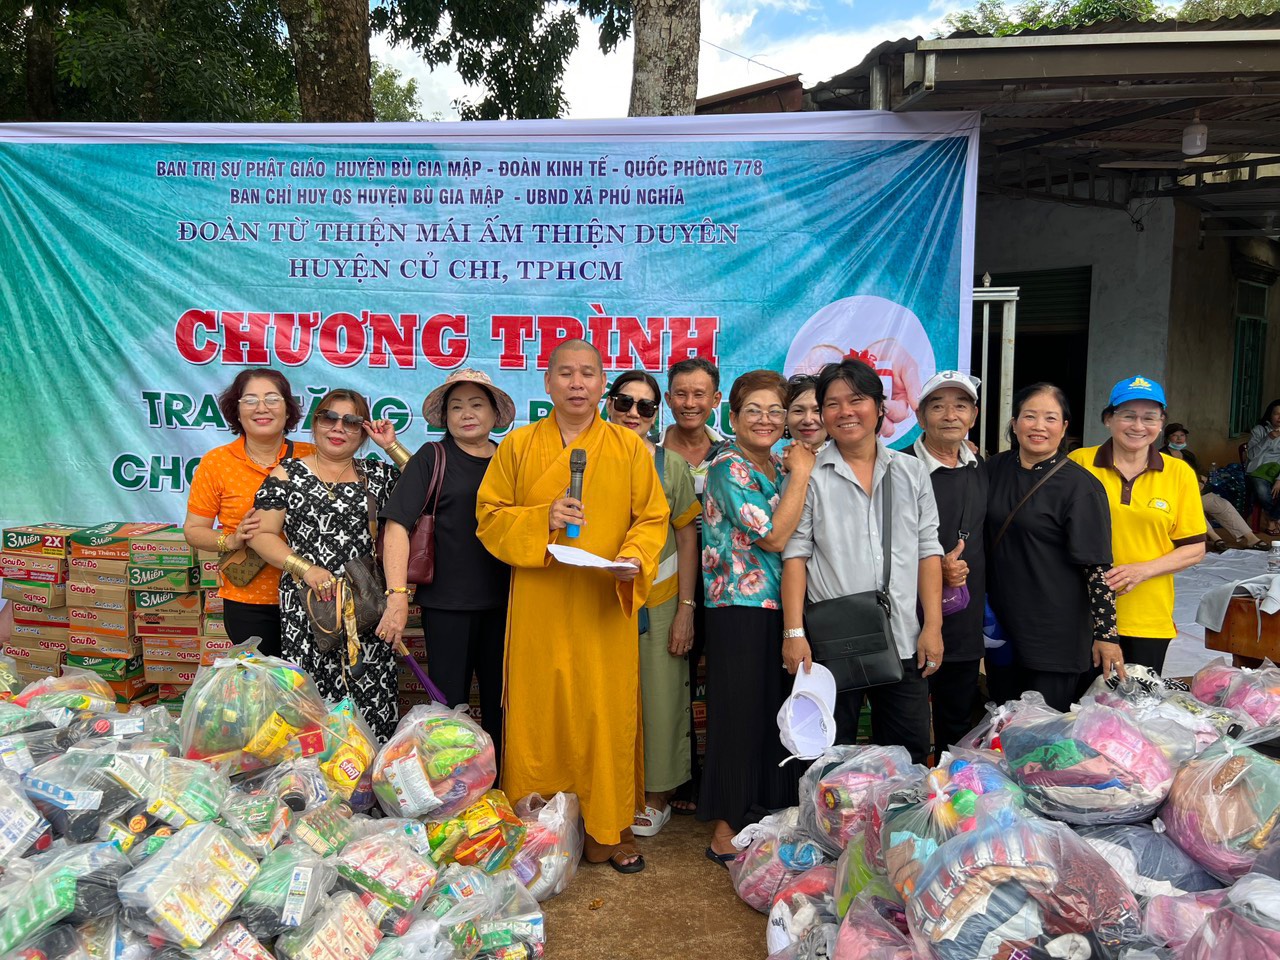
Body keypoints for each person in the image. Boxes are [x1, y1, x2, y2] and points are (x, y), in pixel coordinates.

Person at [475, 339, 668, 874]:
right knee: (539, 710)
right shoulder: (517, 447)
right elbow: (489, 517)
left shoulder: (629, 448)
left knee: (603, 711)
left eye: (587, 373)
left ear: (601, 384)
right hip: (539, 600)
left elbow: (652, 518)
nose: (576, 383)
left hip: (602, 600)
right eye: (566, 373)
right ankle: (538, 830)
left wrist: (633, 557)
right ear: (547, 383)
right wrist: (543, 517)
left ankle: (610, 828)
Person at [781, 359, 944, 766]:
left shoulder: (912, 472)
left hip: (903, 637)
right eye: (832, 404)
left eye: (856, 400)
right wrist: (794, 632)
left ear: (879, 406)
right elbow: (795, 555)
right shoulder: (809, 475)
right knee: (829, 758)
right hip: (832, 645)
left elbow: (928, 550)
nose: (845, 412)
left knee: (907, 756)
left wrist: (933, 626)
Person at [699, 370, 815, 865]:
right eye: (753, 411)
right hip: (737, 610)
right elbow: (772, 537)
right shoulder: (729, 467)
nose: (765, 420)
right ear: (733, 417)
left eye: (775, 411)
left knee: (776, 715)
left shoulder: (776, 464)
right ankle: (725, 827)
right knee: (738, 717)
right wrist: (802, 475)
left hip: (782, 610)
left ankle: (764, 815)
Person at [249, 389, 411, 741]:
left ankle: (368, 772)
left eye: (351, 422)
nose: (338, 428)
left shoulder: (377, 475)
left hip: (366, 606)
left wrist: (390, 445)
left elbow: (428, 486)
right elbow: (261, 534)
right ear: (315, 423)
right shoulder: (288, 474)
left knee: (370, 702)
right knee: (310, 709)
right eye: (329, 418)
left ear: (363, 431)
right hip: (308, 607)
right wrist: (304, 568)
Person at [377, 369, 515, 763]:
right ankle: (452, 788)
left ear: (494, 414)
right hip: (448, 606)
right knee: (448, 708)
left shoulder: (512, 459)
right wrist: (397, 597)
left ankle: (502, 784)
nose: (466, 414)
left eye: (476, 404)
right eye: (456, 407)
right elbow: (396, 526)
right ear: (445, 417)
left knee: (505, 706)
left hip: (509, 605)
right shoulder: (432, 457)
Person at [601, 371, 700, 839]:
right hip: (596, 601)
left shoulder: (670, 466)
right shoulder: (581, 457)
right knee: (600, 700)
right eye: (625, 402)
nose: (633, 413)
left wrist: (686, 607)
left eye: (645, 406)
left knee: (662, 699)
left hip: (658, 602)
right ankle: (603, 790)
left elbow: (687, 536)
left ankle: (657, 793)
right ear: (609, 403)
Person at [986, 383, 1124, 712]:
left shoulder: (1080, 486)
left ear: (1063, 428)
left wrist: (1107, 635)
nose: (1039, 426)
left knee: (1044, 731)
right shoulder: (992, 469)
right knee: (1002, 723)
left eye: (1050, 418)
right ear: (1014, 423)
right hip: (1001, 628)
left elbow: (1097, 567)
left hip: (1054, 633)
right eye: (1029, 416)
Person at [1070, 377, 1206, 675]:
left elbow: (1195, 549)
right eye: (1128, 416)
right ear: (1108, 419)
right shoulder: (1079, 463)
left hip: (1148, 616)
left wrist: (1142, 570)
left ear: (1161, 423)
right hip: (1082, 613)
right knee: (1079, 702)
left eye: (1149, 418)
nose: (1138, 426)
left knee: (1138, 701)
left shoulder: (1179, 473)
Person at [183, 369, 314, 656]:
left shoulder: (312, 456)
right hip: (249, 599)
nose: (261, 408)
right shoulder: (217, 462)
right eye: (250, 400)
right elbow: (193, 530)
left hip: (311, 594)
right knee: (262, 680)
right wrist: (229, 540)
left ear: (288, 409)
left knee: (309, 681)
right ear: (237, 411)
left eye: (272, 399)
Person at [659, 356, 726, 816]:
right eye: (681, 394)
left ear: (715, 399)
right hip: (668, 585)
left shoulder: (732, 454)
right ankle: (677, 776)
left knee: (720, 682)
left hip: (725, 585)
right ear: (667, 399)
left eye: (699, 394)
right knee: (671, 684)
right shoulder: (650, 454)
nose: (689, 403)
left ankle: (715, 780)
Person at [909, 370, 987, 753]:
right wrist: (931, 567)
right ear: (920, 416)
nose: (950, 415)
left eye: (961, 406)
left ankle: (950, 790)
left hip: (964, 624)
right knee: (906, 728)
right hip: (908, 623)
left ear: (973, 415)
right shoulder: (897, 467)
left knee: (956, 725)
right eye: (938, 406)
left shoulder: (980, 467)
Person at [1162, 422, 1267, 553]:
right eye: (1175, 435)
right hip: (1177, 497)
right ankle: (1215, 538)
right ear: (1167, 439)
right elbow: (1167, 478)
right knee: (1194, 509)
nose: (1179, 439)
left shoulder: (1188, 454)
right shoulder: (1162, 456)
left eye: (1182, 435)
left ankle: (1251, 538)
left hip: (1199, 492)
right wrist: (1194, 481)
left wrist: (1202, 480)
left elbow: (1203, 471)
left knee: (1223, 505)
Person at [1246, 400, 1280, 536]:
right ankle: (1275, 519)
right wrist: (1268, 438)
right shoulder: (1259, 430)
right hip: (1258, 470)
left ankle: (1272, 517)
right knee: (1261, 490)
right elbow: (1251, 455)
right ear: (1270, 415)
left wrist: (1279, 480)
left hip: (1278, 470)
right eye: (1276, 414)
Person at [784, 373, 828, 451]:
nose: (808, 420)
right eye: (798, 411)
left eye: (817, 410)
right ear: (785, 417)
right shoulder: (774, 458)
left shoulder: (847, 457)